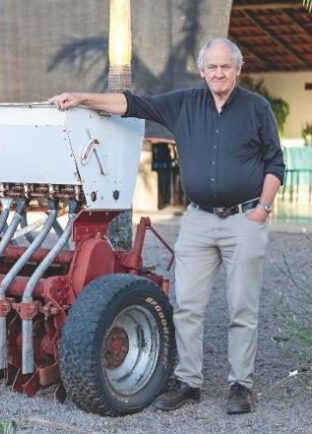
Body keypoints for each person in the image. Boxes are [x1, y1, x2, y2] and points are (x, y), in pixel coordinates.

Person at [48, 37, 284, 415]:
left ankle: (241, 385)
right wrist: (80, 97)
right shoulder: (184, 103)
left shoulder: (256, 109)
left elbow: (275, 164)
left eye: (227, 67)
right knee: (186, 306)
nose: (219, 73)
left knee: (242, 308)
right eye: (213, 67)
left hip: (244, 218)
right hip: (197, 220)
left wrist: (263, 208)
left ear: (238, 70)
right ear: (203, 70)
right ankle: (188, 381)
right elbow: (131, 104)